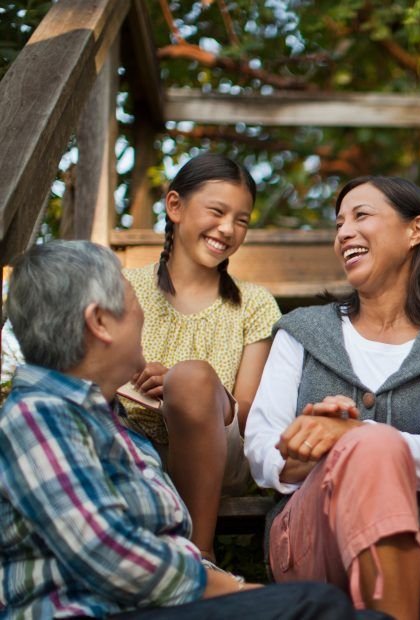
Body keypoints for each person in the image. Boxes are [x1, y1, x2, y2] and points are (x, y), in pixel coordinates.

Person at [0, 240, 361, 619]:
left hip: (145, 606)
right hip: (90, 611)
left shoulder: (108, 421)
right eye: (131, 299)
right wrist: (232, 589)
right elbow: (108, 552)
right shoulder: (38, 416)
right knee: (317, 606)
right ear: (100, 322)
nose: (141, 313)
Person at [244, 176, 420, 619]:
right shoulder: (301, 331)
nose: (343, 233)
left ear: (416, 230)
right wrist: (325, 449)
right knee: (369, 445)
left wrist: (350, 434)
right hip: (312, 529)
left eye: (361, 216)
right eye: (339, 223)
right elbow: (262, 448)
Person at [121, 153, 281, 562]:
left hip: (219, 451)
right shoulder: (124, 288)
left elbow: (249, 413)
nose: (227, 229)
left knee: (191, 378)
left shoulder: (255, 304)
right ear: (175, 206)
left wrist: (191, 387)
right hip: (131, 439)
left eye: (241, 220)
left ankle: (199, 556)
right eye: (217, 211)